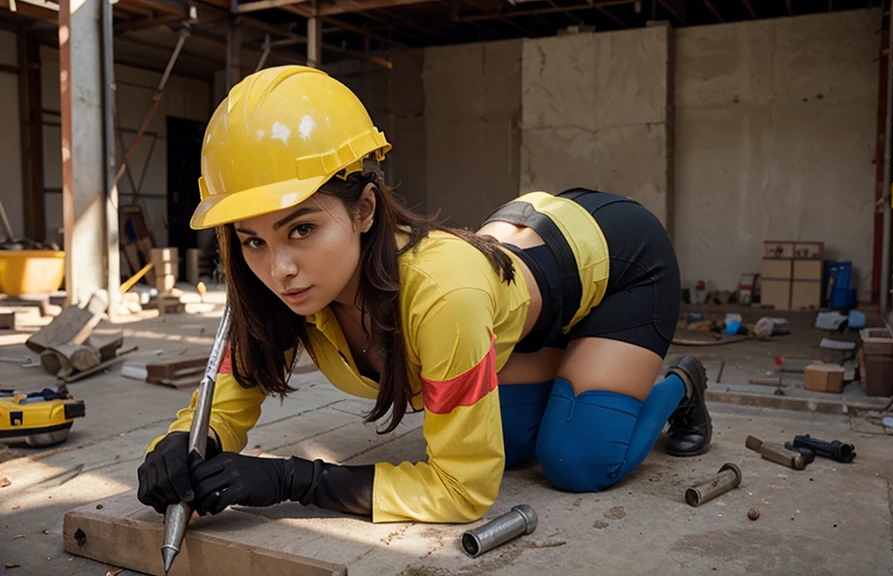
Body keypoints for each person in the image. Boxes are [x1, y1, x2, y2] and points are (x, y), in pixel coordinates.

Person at [136, 65, 713, 524]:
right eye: (252, 241)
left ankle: (679, 385)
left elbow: (464, 489)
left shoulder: (441, 296)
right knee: (511, 444)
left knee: (577, 460)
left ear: (364, 209)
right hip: (522, 273)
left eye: (302, 229)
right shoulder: (275, 289)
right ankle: (580, 377)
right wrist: (183, 443)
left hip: (620, 262)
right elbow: (226, 402)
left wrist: (296, 480)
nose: (278, 268)